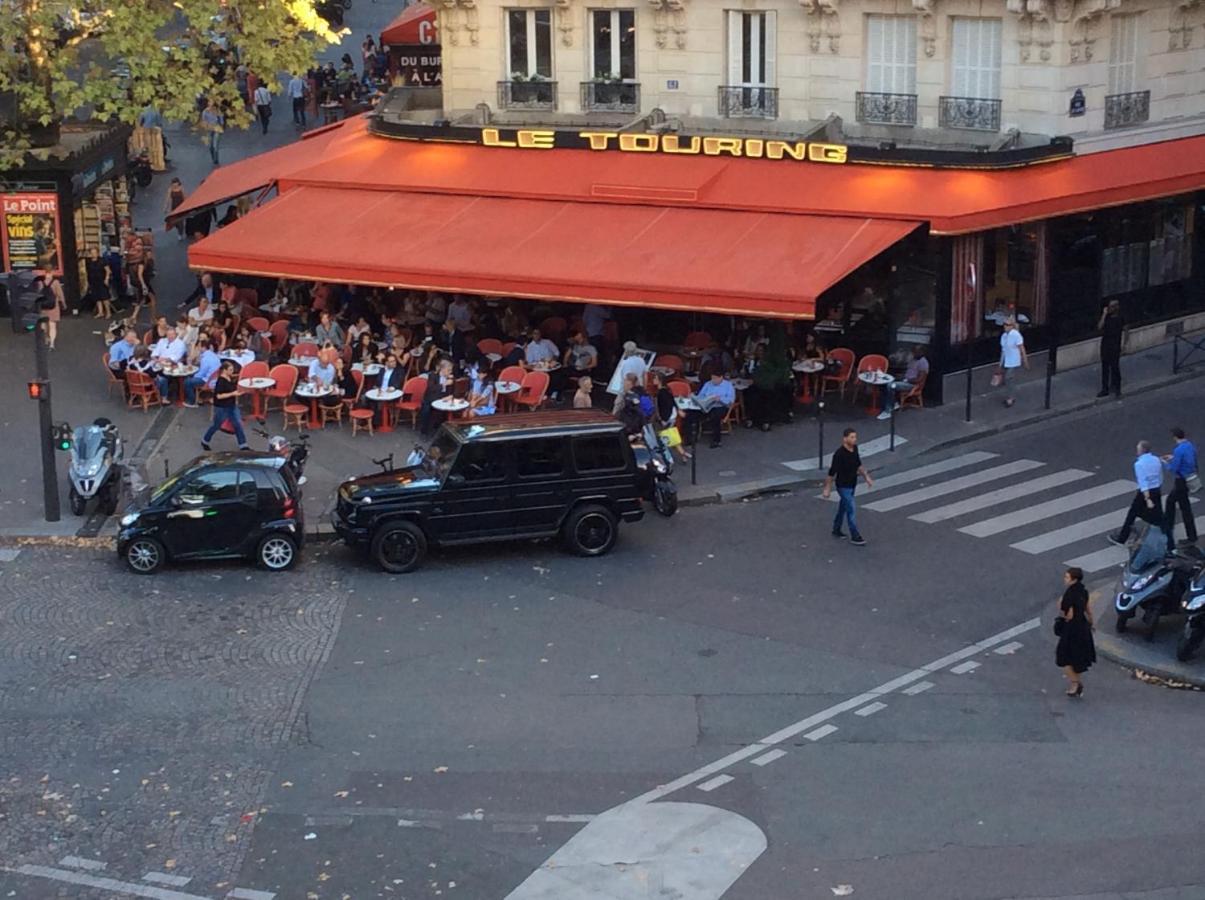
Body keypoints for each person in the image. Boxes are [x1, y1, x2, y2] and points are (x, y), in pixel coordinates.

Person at [1110, 440, 1173, 549]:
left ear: (1142, 450)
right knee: (1158, 516)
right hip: (1156, 489)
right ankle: (1170, 544)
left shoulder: (1139, 464)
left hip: (1145, 492)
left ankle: (1122, 538)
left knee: (1134, 513)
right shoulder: (1156, 460)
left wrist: (1147, 498)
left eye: (1138, 449)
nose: (1137, 451)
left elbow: (1143, 482)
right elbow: (1160, 476)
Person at [822, 427, 874, 546]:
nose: (854, 439)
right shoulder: (839, 454)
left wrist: (867, 477)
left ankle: (836, 529)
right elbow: (832, 472)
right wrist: (827, 488)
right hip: (843, 486)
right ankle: (855, 536)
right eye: (852, 437)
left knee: (843, 507)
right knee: (851, 509)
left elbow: (858, 464)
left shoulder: (855, 449)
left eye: (855, 437)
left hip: (852, 483)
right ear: (844, 439)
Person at [1055, 567, 1095, 698]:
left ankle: (1075, 683)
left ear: (1074, 579)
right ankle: (1076, 684)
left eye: (1067, 577)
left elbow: (1069, 615)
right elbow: (1088, 609)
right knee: (1076, 657)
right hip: (1083, 628)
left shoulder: (1069, 595)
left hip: (1072, 630)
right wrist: (1091, 622)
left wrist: (1060, 605)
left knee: (1063, 658)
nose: (1064, 579)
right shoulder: (1083, 591)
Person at [1163, 427, 1198, 547]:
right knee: (1180, 504)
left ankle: (1169, 528)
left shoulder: (1178, 450)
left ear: (1175, 437)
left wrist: (1166, 463)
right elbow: (1190, 460)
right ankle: (1190, 534)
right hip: (1189, 478)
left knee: (1176, 504)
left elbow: (1174, 468)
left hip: (1181, 480)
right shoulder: (1190, 446)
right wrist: (1173, 457)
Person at [201, 361, 249, 450]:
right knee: (216, 425)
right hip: (222, 407)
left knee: (237, 424)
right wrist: (233, 394)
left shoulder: (228, 377)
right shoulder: (221, 381)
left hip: (231, 405)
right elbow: (219, 396)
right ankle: (205, 440)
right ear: (224, 370)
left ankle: (243, 445)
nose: (232, 371)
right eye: (230, 370)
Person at [878, 345, 930, 420]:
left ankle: (888, 410)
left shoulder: (923, 362)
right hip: (905, 379)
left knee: (891, 385)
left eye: (916, 352)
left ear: (921, 352)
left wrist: (907, 380)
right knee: (884, 382)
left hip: (912, 384)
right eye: (913, 352)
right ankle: (894, 402)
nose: (913, 354)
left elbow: (919, 379)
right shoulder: (913, 359)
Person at [694, 370, 735, 449]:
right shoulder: (708, 384)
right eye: (712, 378)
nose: (713, 380)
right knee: (692, 413)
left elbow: (730, 400)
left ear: (721, 377)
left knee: (716, 416)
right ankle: (691, 436)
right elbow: (701, 395)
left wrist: (720, 399)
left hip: (721, 406)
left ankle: (717, 440)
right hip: (708, 405)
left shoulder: (728, 386)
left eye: (715, 378)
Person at [996, 318, 1028, 408]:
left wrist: (1025, 361)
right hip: (1006, 360)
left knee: (1008, 378)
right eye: (1005, 324)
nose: (1005, 326)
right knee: (1008, 380)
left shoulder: (1016, 335)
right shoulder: (1004, 336)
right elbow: (1003, 350)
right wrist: (1000, 364)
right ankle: (1009, 395)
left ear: (1012, 326)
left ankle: (1010, 398)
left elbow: (1022, 348)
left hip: (1014, 361)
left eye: (1008, 325)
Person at [1097, 299, 1126, 398]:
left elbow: (1126, 330)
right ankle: (1105, 389)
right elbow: (1099, 327)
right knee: (1105, 367)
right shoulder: (1107, 317)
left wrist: (1124, 345)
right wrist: (1104, 314)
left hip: (1115, 346)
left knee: (1115, 367)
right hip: (1105, 345)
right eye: (1109, 307)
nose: (1110, 309)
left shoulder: (1121, 317)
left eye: (1112, 306)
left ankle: (1117, 388)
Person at [183, 337, 221, 407]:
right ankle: (198, 398)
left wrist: (194, 376)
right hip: (215, 378)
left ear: (203, 347)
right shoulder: (212, 355)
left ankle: (192, 401)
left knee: (187, 381)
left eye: (198, 346)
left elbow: (202, 373)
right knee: (191, 378)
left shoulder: (205, 358)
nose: (197, 348)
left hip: (209, 381)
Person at [84, 247, 112, 318]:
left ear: (98, 253)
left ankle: (108, 312)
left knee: (104, 297)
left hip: (101, 280)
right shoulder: (89, 261)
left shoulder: (102, 260)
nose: (94, 254)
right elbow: (88, 272)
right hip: (93, 281)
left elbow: (108, 271)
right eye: (92, 253)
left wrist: (107, 279)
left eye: (95, 253)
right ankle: (100, 312)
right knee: (97, 297)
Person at [201, 99, 224, 165]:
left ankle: (216, 160)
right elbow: (204, 120)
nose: (211, 103)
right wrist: (205, 127)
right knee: (210, 146)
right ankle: (213, 157)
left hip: (217, 128)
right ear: (208, 103)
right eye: (209, 102)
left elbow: (221, 118)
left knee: (215, 145)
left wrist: (221, 125)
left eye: (212, 102)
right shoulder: (205, 111)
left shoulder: (217, 110)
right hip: (209, 129)